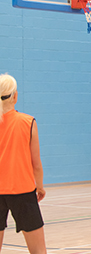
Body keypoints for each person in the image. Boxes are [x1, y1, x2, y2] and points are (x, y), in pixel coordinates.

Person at [0, 73, 47, 254]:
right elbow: (36, 162)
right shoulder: (27, 122)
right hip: (22, 192)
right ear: (15, 96)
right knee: (38, 251)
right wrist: (40, 186)